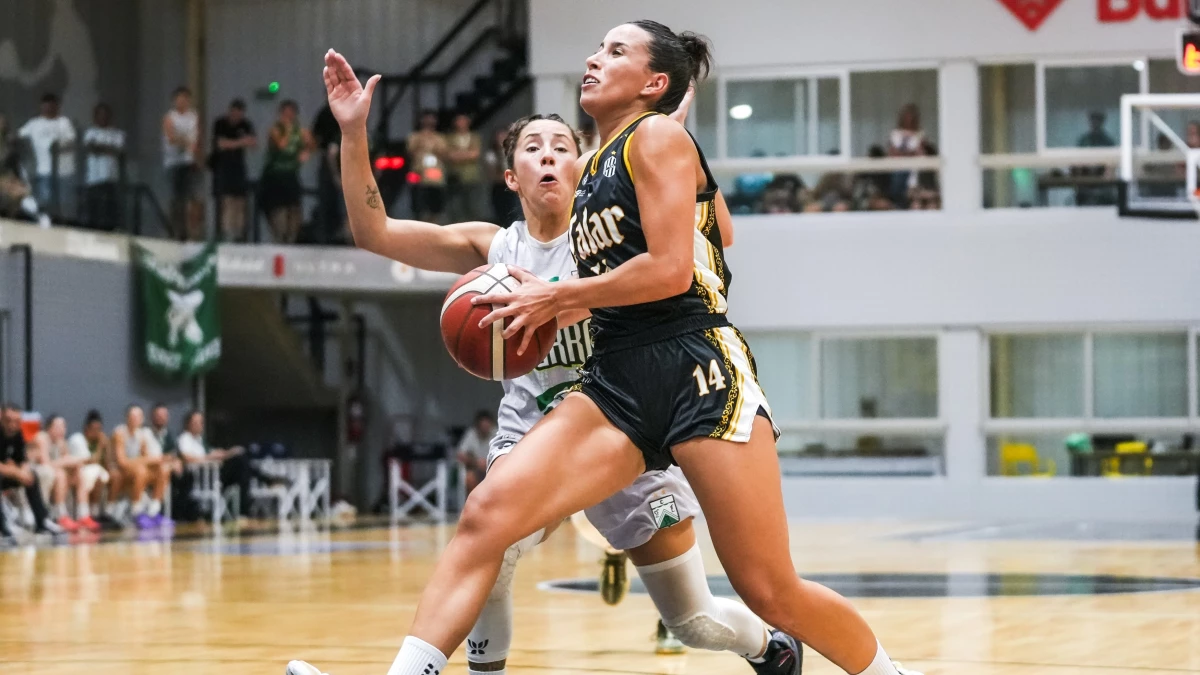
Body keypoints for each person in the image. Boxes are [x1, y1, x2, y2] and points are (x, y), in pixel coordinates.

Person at [331, 22, 923, 675]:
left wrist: (669, 148)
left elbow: (678, 266)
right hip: (616, 377)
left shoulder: (656, 138)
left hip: (695, 363)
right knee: (487, 516)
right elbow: (715, 225)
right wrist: (354, 131)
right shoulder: (591, 182)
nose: (592, 57)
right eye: (597, 48)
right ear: (512, 173)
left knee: (766, 588)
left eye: (615, 51)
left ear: (653, 82)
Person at [0, 403, 61, 542]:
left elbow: (23, 460)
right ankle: (4, 526)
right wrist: (16, 472)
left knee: (32, 475)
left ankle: (42, 521)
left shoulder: (18, 434)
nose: (12, 425)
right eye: (8, 420)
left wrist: (24, 471)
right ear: (1, 418)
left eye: (16, 421)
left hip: (7, 474)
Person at [260, 100, 313, 243]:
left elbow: (311, 143)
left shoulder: (301, 131)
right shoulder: (275, 129)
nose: (288, 116)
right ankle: (279, 238)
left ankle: (292, 239)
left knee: (294, 210)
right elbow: (282, 145)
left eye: (291, 113)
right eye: (285, 113)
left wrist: (306, 150)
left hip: (291, 174)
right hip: (275, 175)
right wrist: (289, 129)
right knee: (279, 211)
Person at [111, 404, 172, 529]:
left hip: (137, 470)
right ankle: (136, 511)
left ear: (142, 419)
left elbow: (149, 458)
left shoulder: (143, 434)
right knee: (141, 470)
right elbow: (122, 462)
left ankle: (153, 511)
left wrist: (160, 460)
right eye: (133, 416)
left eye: (138, 416)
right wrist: (147, 460)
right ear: (127, 418)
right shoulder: (119, 433)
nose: (135, 419)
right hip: (121, 473)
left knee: (164, 469)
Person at [18, 93, 76, 220]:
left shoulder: (64, 122)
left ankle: (63, 225)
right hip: (44, 170)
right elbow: (19, 137)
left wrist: (57, 147)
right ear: (41, 107)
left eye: (52, 106)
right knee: (45, 202)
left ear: (57, 107)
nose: (49, 109)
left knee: (65, 202)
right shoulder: (34, 123)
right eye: (46, 106)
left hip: (64, 172)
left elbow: (71, 142)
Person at [211, 99, 257, 242]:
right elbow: (221, 144)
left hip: (239, 168)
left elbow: (253, 143)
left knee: (240, 202)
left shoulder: (246, 125)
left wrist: (235, 144)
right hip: (223, 167)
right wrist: (240, 142)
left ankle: (239, 235)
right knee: (227, 202)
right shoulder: (220, 124)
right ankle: (226, 234)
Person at [163, 87, 203, 240]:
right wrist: (186, 141)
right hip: (174, 162)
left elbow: (197, 139)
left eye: (185, 99)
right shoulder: (170, 117)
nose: (183, 102)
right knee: (177, 198)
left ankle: (193, 231)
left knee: (193, 197)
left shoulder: (193, 116)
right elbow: (171, 137)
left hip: (189, 161)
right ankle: (176, 232)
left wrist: (198, 157)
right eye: (180, 99)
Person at [63, 410, 110, 531]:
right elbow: (89, 461)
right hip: (74, 473)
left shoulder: (99, 441)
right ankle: (82, 515)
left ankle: (93, 513)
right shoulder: (77, 439)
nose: (97, 433)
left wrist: (107, 447)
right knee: (92, 473)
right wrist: (100, 446)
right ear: (86, 428)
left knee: (102, 475)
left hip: (87, 474)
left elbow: (107, 464)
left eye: (99, 429)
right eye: (94, 429)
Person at [82, 103, 125, 231]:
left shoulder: (117, 133)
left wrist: (100, 147)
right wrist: (108, 149)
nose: (103, 117)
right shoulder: (90, 132)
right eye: (100, 115)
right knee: (94, 210)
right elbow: (91, 148)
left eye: (105, 115)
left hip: (111, 178)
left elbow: (119, 151)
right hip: (94, 179)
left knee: (110, 210)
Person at [312, 104, 346, 244]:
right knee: (328, 199)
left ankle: (344, 234)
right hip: (332, 164)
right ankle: (326, 235)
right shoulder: (325, 113)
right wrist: (336, 176)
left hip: (346, 163)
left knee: (345, 204)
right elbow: (329, 153)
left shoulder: (347, 110)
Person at [407, 110, 448, 223]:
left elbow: (444, 153)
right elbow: (410, 151)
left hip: (435, 173)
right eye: (426, 118)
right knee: (417, 202)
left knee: (435, 203)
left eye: (432, 118)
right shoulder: (414, 136)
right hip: (417, 171)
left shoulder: (440, 137)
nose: (429, 121)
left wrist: (432, 145)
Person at [445, 113, 483, 223]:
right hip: (455, 176)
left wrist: (459, 155)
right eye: (458, 120)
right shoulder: (449, 138)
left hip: (471, 176)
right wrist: (466, 155)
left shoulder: (474, 137)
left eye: (463, 120)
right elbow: (449, 155)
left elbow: (475, 154)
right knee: (455, 205)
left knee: (472, 204)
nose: (461, 123)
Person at [456, 411, 496, 495]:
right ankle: (475, 504)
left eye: (487, 425)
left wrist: (489, 463)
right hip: (476, 470)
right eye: (483, 426)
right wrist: (476, 462)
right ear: (478, 426)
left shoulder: (497, 434)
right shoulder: (471, 434)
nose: (485, 428)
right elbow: (460, 455)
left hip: (495, 470)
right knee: (469, 478)